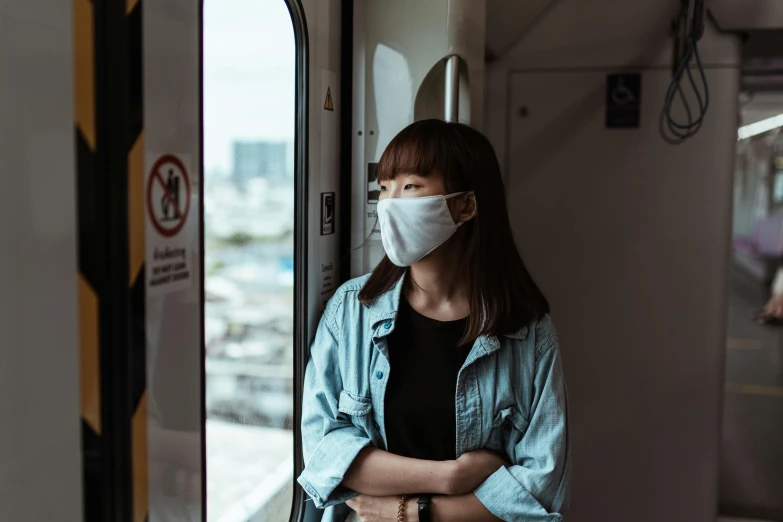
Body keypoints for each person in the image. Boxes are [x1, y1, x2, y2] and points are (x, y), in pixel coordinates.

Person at [298, 119, 571, 522]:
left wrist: (411, 513)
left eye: (410, 187)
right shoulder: (351, 310)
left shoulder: (527, 331)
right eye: (383, 188)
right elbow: (324, 452)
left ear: (466, 206)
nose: (389, 203)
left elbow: (540, 490)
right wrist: (450, 477)